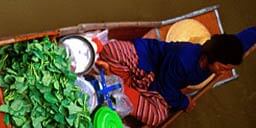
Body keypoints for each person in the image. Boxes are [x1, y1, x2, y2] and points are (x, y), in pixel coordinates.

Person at [96, 26, 255, 126]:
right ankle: (117, 89)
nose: (222, 72)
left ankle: (116, 83)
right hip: (146, 64)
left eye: (227, 69)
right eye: (222, 67)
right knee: (112, 51)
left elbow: (244, 38)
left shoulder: (220, 53)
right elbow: (165, 89)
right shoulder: (183, 60)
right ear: (209, 57)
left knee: (156, 116)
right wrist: (184, 101)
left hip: (154, 77)